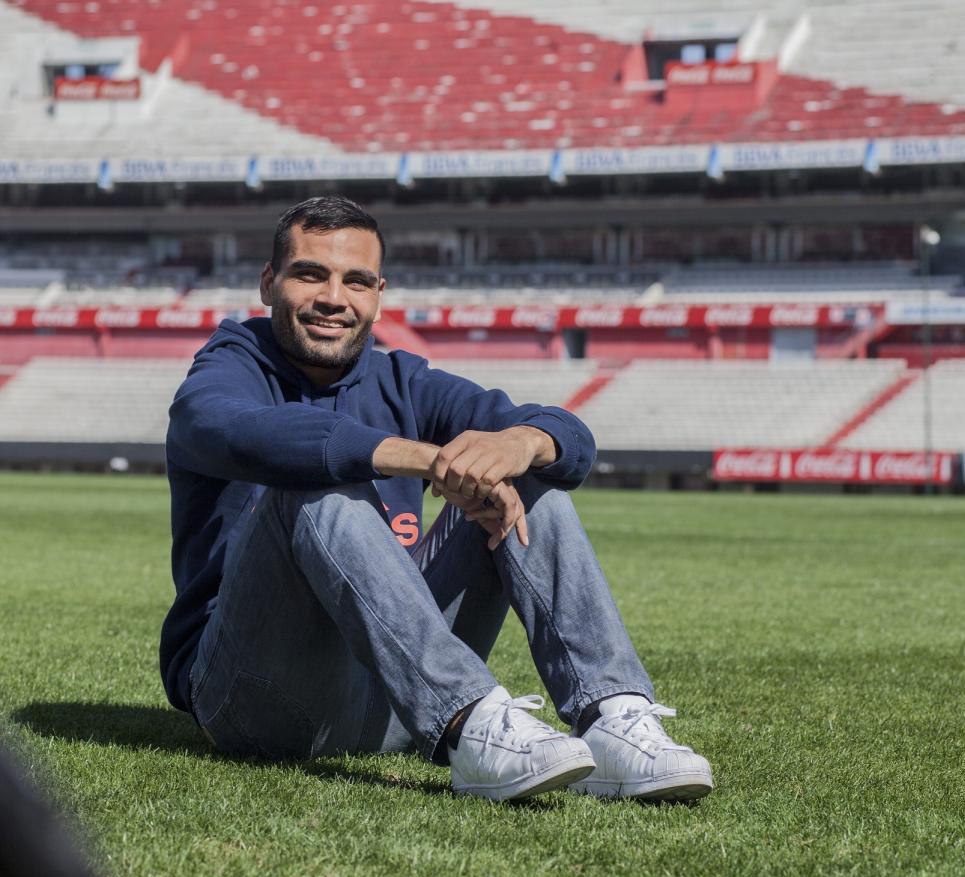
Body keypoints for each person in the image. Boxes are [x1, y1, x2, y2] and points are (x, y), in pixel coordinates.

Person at [161, 196, 714, 802]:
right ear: (270, 283)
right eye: (310, 274)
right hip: (254, 693)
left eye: (357, 281)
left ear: (378, 294)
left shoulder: (403, 380)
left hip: (391, 695)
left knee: (526, 480)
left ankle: (614, 720)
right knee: (317, 493)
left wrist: (518, 443)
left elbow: (569, 436)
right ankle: (471, 722)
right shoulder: (231, 365)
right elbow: (221, 427)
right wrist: (427, 457)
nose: (333, 298)